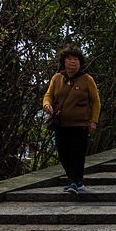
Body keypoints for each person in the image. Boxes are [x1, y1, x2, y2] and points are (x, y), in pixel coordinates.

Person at [42, 43, 100, 194]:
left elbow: (96, 101)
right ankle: (73, 180)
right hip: (61, 123)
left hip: (80, 124)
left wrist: (93, 121)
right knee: (63, 153)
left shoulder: (87, 79)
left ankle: (75, 181)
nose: (73, 62)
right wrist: (47, 105)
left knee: (77, 153)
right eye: (69, 59)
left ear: (80, 62)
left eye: (76, 59)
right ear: (64, 61)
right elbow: (48, 95)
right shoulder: (57, 78)